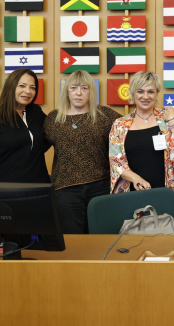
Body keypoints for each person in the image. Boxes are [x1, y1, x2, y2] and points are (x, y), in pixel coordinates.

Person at [44, 71, 121, 234]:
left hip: (101, 186)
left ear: (91, 92)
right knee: (72, 239)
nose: (79, 93)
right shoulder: (53, 118)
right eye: (74, 88)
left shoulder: (105, 115)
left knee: (102, 236)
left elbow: (132, 130)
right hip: (65, 190)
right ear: (67, 91)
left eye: (84, 88)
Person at [109, 71, 174, 219]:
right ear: (133, 94)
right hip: (133, 191)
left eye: (150, 92)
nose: (145, 97)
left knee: (170, 236)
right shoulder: (120, 124)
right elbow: (116, 162)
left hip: (169, 193)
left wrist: (173, 122)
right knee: (134, 238)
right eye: (140, 91)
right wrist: (135, 178)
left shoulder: (169, 118)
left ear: (157, 93)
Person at [0, 68, 51, 183]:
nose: (28, 91)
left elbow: (50, 136)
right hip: (6, 190)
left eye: (32, 87)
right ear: (10, 87)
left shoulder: (36, 113)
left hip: (40, 189)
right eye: (22, 86)